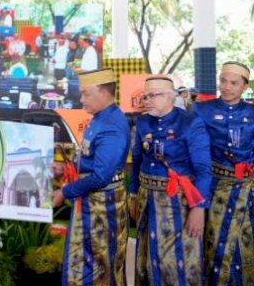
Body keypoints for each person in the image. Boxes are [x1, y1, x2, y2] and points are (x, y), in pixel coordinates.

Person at [129, 76, 211, 285]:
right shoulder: (142, 121)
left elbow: (203, 169)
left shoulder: (190, 122)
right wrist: (133, 193)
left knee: (177, 260)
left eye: (151, 96)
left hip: (178, 202)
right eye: (144, 96)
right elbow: (137, 159)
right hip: (147, 200)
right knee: (147, 257)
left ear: (169, 97)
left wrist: (199, 208)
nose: (146, 100)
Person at [52, 68, 130, 285]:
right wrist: (64, 168)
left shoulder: (111, 126)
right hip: (92, 204)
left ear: (104, 93)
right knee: (86, 265)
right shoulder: (101, 118)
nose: (81, 99)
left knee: (99, 269)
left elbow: (100, 177)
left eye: (86, 93)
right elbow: (90, 159)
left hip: (102, 208)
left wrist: (63, 192)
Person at [194, 62, 254, 285]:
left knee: (245, 240)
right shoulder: (202, 109)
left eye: (234, 83)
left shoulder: (252, 112)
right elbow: (196, 149)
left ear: (245, 87)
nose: (226, 87)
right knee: (216, 243)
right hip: (214, 186)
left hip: (247, 189)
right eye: (223, 81)